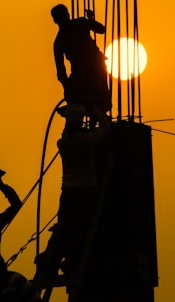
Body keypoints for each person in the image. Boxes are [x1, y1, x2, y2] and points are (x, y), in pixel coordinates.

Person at [35, 103, 110, 281]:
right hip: (86, 192)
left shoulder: (63, 143)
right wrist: (95, 110)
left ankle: (51, 261)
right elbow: (106, 128)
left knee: (63, 227)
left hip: (68, 191)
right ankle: (71, 261)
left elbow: (66, 133)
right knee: (79, 226)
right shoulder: (88, 140)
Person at [51, 4, 111, 113]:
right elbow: (60, 71)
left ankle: (97, 119)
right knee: (81, 101)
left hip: (95, 67)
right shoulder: (60, 41)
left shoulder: (80, 23)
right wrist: (67, 86)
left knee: (98, 100)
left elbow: (101, 30)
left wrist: (91, 20)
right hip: (82, 72)